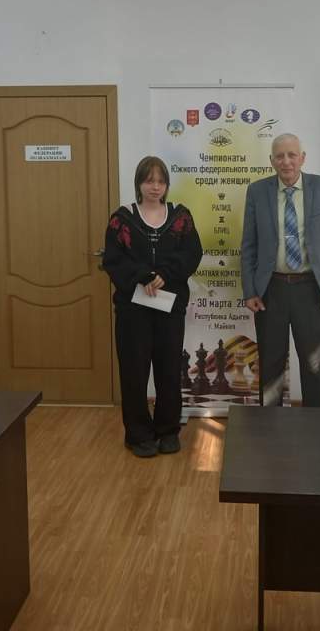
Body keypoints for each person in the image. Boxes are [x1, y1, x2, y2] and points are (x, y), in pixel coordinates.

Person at [103, 156, 203, 457]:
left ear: (167, 185)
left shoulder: (181, 217)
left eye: (160, 181)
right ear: (139, 184)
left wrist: (165, 275)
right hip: (133, 311)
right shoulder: (121, 219)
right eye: (149, 181)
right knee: (134, 372)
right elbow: (113, 260)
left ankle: (168, 430)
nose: (155, 187)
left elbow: (192, 253)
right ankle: (138, 435)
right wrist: (142, 276)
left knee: (169, 370)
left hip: (170, 309)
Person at [241, 133, 320, 407]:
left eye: (292, 155)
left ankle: (316, 427)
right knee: (271, 366)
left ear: (302, 158)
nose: (286, 161)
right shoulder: (257, 191)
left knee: (314, 364)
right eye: (279, 156)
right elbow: (249, 244)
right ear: (271, 160)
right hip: (270, 289)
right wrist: (250, 290)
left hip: (311, 289)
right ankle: (271, 427)